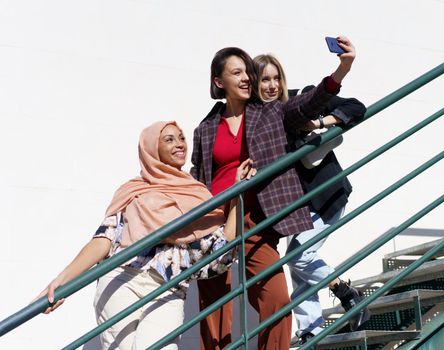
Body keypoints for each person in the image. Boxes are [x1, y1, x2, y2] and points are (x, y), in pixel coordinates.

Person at [191, 36, 356, 350]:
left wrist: (341, 70)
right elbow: (198, 176)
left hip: (255, 220)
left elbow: (307, 104)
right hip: (214, 220)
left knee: (276, 301)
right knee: (214, 309)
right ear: (219, 81)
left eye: (246, 72)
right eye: (236, 73)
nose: (245, 78)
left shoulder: (269, 114)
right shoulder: (206, 127)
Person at [36, 121, 256, 350]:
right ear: (152, 149)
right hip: (121, 279)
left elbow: (221, 249)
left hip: (168, 287)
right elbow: (104, 239)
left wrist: (237, 190)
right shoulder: (133, 191)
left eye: (181, 138)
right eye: (169, 139)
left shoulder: (197, 195)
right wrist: (61, 281)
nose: (179, 144)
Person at [252, 53, 370, 346]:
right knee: (298, 259)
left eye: (276, 78)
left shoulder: (301, 101)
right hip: (297, 205)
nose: (271, 85)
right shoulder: (256, 122)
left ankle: (346, 292)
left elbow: (357, 107)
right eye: (264, 79)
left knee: (299, 255)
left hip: (327, 193)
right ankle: (311, 331)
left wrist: (318, 122)